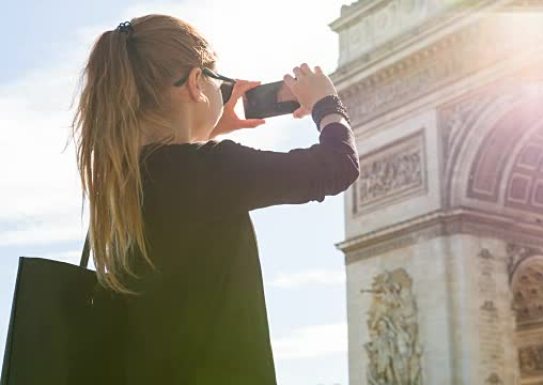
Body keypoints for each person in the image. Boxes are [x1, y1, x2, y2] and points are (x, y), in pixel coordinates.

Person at [70, 14, 359, 385]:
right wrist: (326, 103)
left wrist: (210, 122)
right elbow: (338, 166)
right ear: (195, 83)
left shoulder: (119, 182)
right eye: (217, 82)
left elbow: (178, 170)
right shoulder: (214, 170)